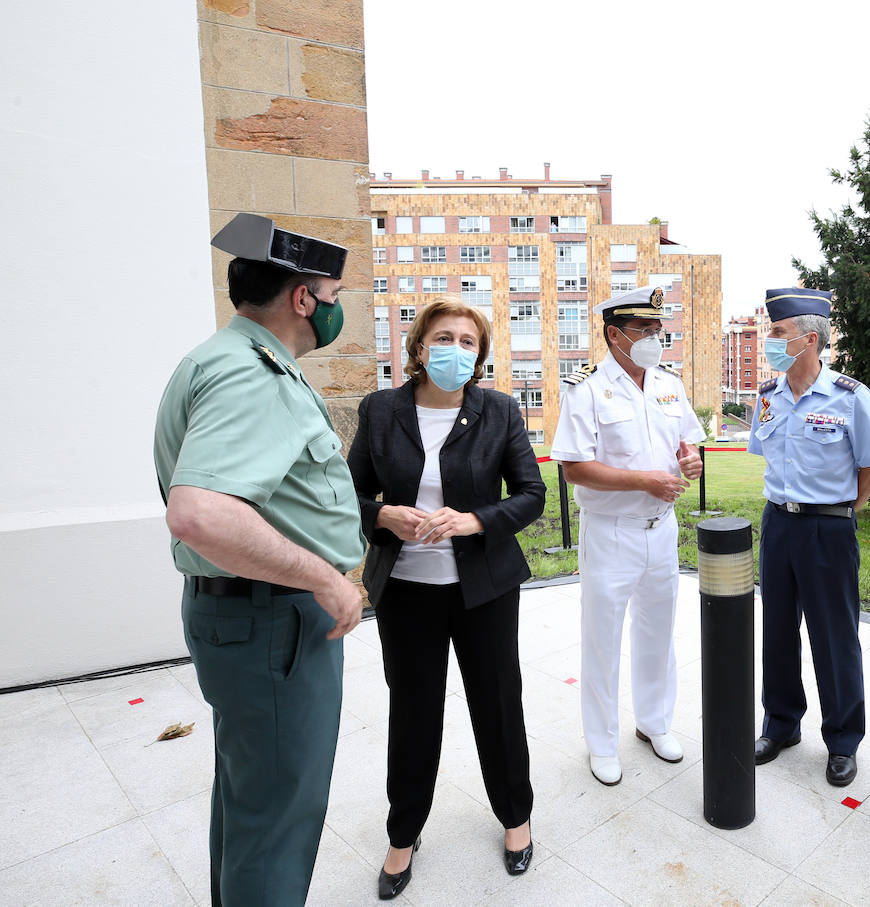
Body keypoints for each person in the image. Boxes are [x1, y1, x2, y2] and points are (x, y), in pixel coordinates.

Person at [154, 213, 365, 906]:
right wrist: (326, 578)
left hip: (248, 617)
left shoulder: (219, 358)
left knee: (253, 798)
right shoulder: (254, 373)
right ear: (303, 298)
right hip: (277, 622)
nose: (336, 308)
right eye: (333, 295)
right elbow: (200, 512)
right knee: (278, 818)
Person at [347, 297, 546, 896]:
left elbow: (531, 494)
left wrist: (474, 520)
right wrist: (385, 516)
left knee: (498, 705)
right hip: (406, 592)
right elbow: (347, 495)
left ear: (479, 355)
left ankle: (516, 818)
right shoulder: (381, 410)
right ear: (419, 347)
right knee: (413, 712)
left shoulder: (499, 411)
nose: (454, 349)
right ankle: (402, 835)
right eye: (443, 337)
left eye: (467, 341)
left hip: (484, 589)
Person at [550, 285, 705, 786]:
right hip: (611, 532)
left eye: (658, 329)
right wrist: (643, 481)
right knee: (603, 639)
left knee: (658, 633)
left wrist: (690, 460)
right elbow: (574, 467)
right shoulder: (586, 388)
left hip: (662, 529)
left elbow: (687, 443)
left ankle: (654, 723)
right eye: (645, 329)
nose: (655, 338)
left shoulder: (668, 384)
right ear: (615, 335)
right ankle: (601, 743)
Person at [749, 287, 870, 787]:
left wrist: (840, 512)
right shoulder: (767, 396)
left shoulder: (850, 396)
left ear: (809, 340)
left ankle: (843, 740)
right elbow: (766, 458)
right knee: (777, 631)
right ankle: (780, 725)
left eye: (778, 332)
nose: (769, 340)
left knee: (834, 637)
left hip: (828, 528)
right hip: (778, 524)